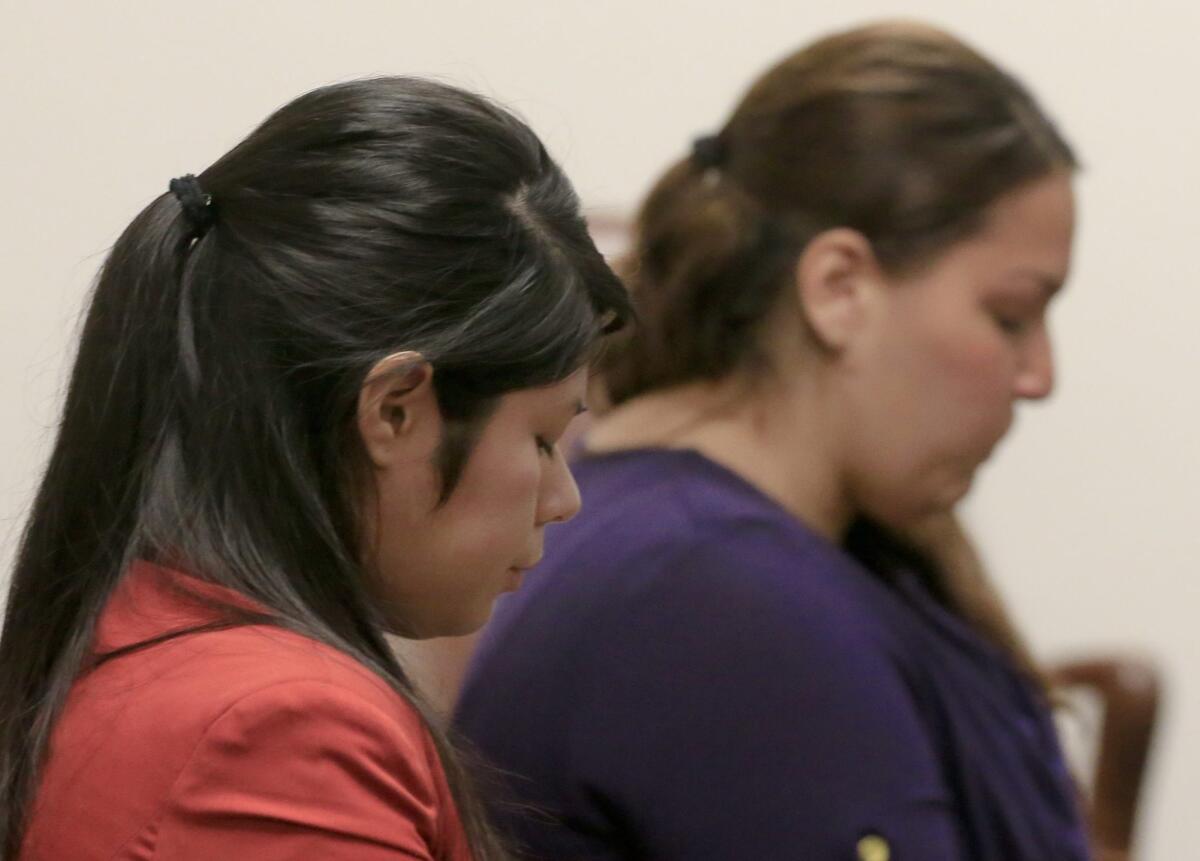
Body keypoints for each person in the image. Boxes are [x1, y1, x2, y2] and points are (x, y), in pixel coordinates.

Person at [455, 21, 1089, 861]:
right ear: (839, 288)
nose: (1039, 374)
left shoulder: (685, 530)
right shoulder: (715, 596)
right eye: (1009, 315)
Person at [0, 76, 630, 860]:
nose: (563, 498)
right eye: (541, 438)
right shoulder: (278, 729)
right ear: (395, 409)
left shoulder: (168, 644)